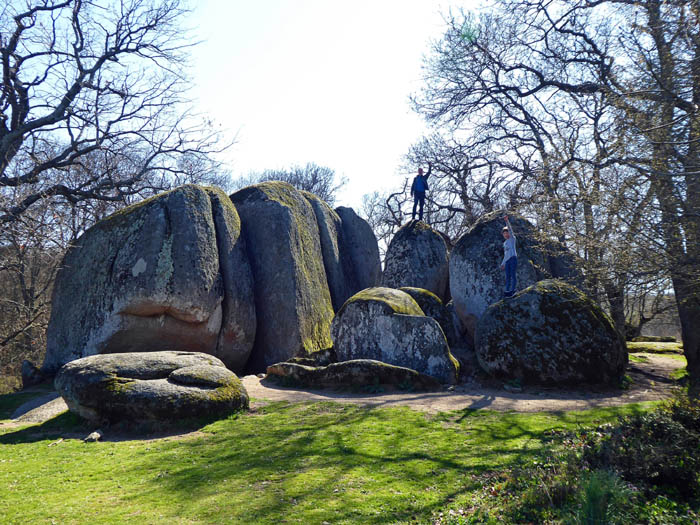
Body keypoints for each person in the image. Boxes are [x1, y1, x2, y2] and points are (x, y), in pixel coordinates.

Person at [499, 215, 517, 297]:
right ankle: (507, 291)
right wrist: (503, 263)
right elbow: (505, 255)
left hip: (513, 259)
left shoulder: (512, 239)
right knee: (508, 276)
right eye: (504, 233)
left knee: (513, 275)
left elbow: (510, 229)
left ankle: (513, 290)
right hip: (507, 261)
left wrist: (507, 221)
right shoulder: (505, 243)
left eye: (507, 233)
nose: (506, 234)